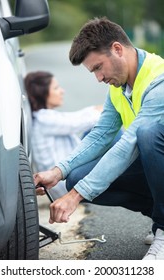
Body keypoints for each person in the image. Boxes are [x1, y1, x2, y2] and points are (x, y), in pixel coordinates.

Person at [33, 17, 164, 260]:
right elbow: (101, 135)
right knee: (76, 177)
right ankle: (159, 219)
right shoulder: (118, 87)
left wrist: (75, 197)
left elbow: (128, 145)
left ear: (117, 49)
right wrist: (58, 171)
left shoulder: (159, 80)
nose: (99, 78)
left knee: (146, 134)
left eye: (98, 67)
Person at [24, 71, 103, 200]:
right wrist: (107, 110)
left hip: (64, 178)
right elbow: (80, 122)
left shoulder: (42, 116)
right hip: (63, 184)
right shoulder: (44, 119)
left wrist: (96, 108)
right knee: (109, 133)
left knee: (97, 133)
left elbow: (75, 116)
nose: (62, 91)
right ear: (42, 93)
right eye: (56, 88)